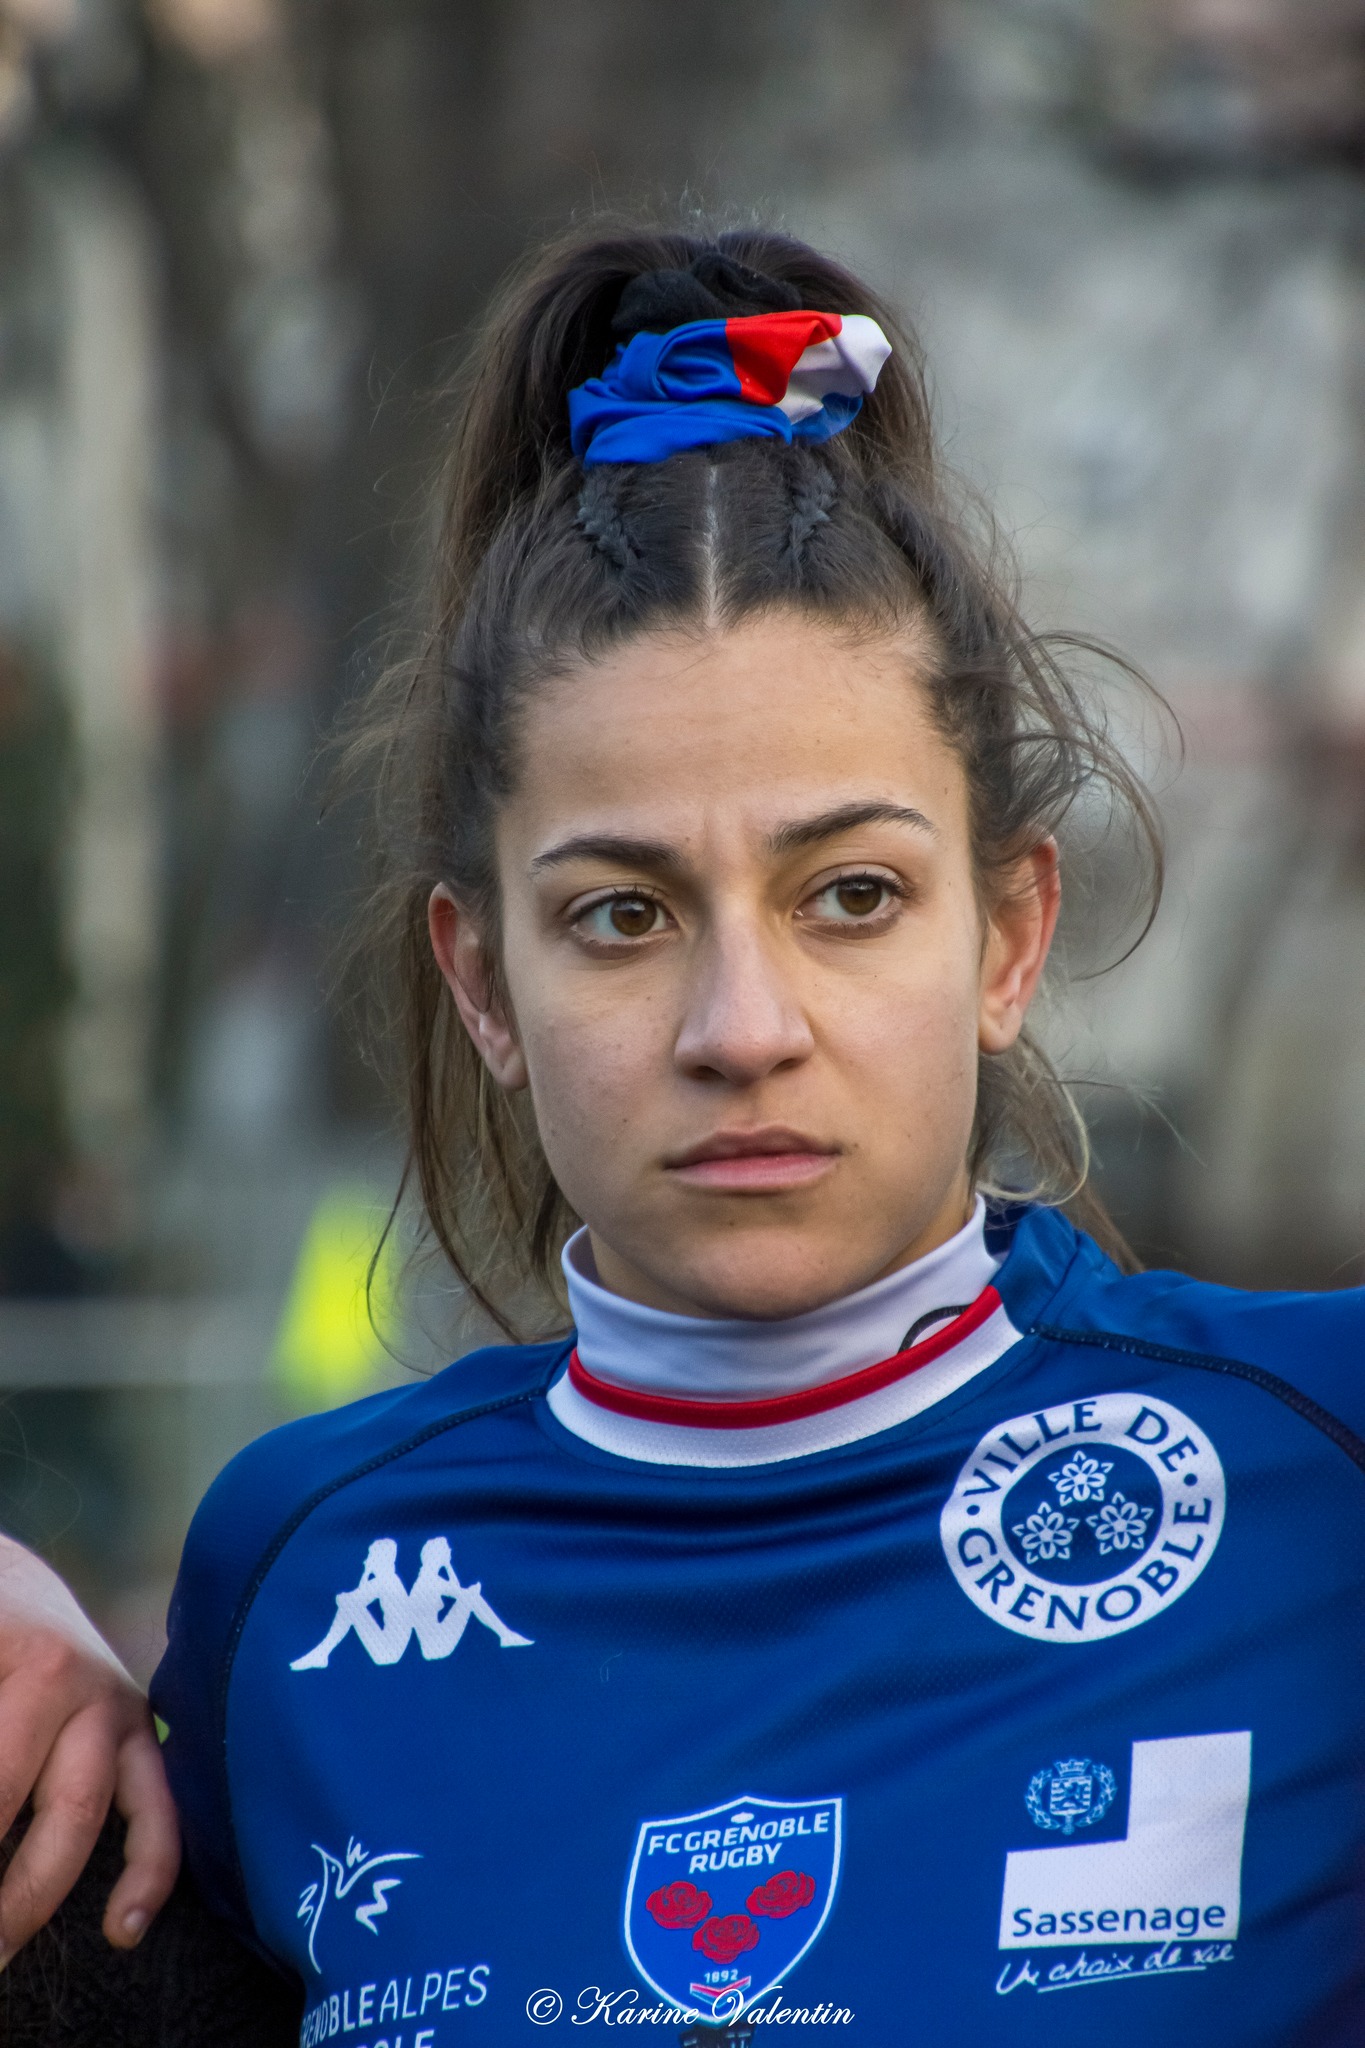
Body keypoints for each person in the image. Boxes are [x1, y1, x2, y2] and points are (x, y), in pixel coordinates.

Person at [4, 219, 1365, 2046]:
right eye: (621, 917)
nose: (742, 1029)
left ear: (1011, 934)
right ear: (481, 981)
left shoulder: (1322, 1484)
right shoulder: (308, 1582)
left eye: (853, 895)